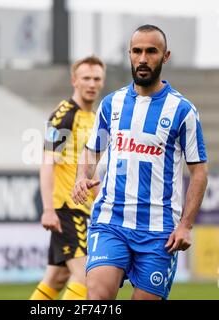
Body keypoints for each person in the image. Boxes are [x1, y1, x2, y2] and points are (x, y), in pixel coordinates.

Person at [72, 24, 208, 300]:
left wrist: (186, 225)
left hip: (159, 232)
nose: (143, 59)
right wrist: (81, 177)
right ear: (129, 54)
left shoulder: (183, 111)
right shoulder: (112, 104)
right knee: (97, 297)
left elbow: (199, 172)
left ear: (165, 56)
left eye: (151, 51)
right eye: (137, 51)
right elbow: (91, 151)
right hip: (111, 220)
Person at [30, 56, 105, 300]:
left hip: (83, 209)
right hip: (65, 209)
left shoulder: (97, 121)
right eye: (86, 78)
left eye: (96, 78)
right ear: (74, 80)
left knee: (57, 278)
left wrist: (100, 206)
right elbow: (47, 163)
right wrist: (48, 210)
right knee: (86, 278)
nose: (91, 83)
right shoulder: (64, 116)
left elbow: (92, 171)